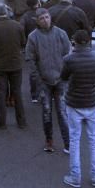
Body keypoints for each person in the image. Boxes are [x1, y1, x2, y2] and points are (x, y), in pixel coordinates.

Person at [61, 30, 95, 188]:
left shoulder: (69, 59)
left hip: (74, 103)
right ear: (88, 41)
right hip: (92, 102)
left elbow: (63, 77)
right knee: (93, 140)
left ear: (75, 42)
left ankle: (75, 176)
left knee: (74, 140)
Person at [26, 8, 72, 153]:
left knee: (62, 113)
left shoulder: (61, 33)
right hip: (44, 81)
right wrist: (38, 81)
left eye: (47, 17)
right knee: (46, 112)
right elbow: (31, 60)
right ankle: (49, 141)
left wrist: (65, 76)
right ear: (37, 21)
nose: (45, 20)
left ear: (50, 17)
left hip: (60, 80)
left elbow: (68, 55)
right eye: (42, 18)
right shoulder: (33, 37)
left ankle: (68, 143)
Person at [0, 2, 26, 130]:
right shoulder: (17, 26)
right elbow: (23, 43)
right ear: (7, 12)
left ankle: (1, 122)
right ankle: (21, 121)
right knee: (17, 92)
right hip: (15, 63)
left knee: (0, 93)